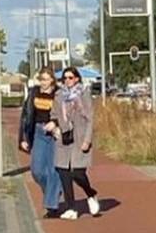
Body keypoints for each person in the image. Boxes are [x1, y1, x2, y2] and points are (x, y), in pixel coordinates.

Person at [50, 66, 101, 220]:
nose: (67, 81)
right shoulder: (59, 95)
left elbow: (90, 118)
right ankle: (71, 208)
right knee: (63, 172)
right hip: (64, 137)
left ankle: (90, 193)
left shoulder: (84, 94)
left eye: (70, 78)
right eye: (65, 78)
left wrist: (87, 140)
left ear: (77, 79)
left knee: (77, 172)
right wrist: (55, 127)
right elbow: (53, 114)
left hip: (80, 137)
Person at [18, 69, 63, 217]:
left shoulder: (59, 94)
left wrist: (55, 123)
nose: (43, 82)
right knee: (37, 170)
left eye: (46, 79)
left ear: (52, 80)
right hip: (38, 131)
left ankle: (52, 206)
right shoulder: (33, 93)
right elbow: (26, 115)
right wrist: (23, 138)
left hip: (55, 133)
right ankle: (53, 191)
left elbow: (66, 113)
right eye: (41, 79)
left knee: (53, 169)